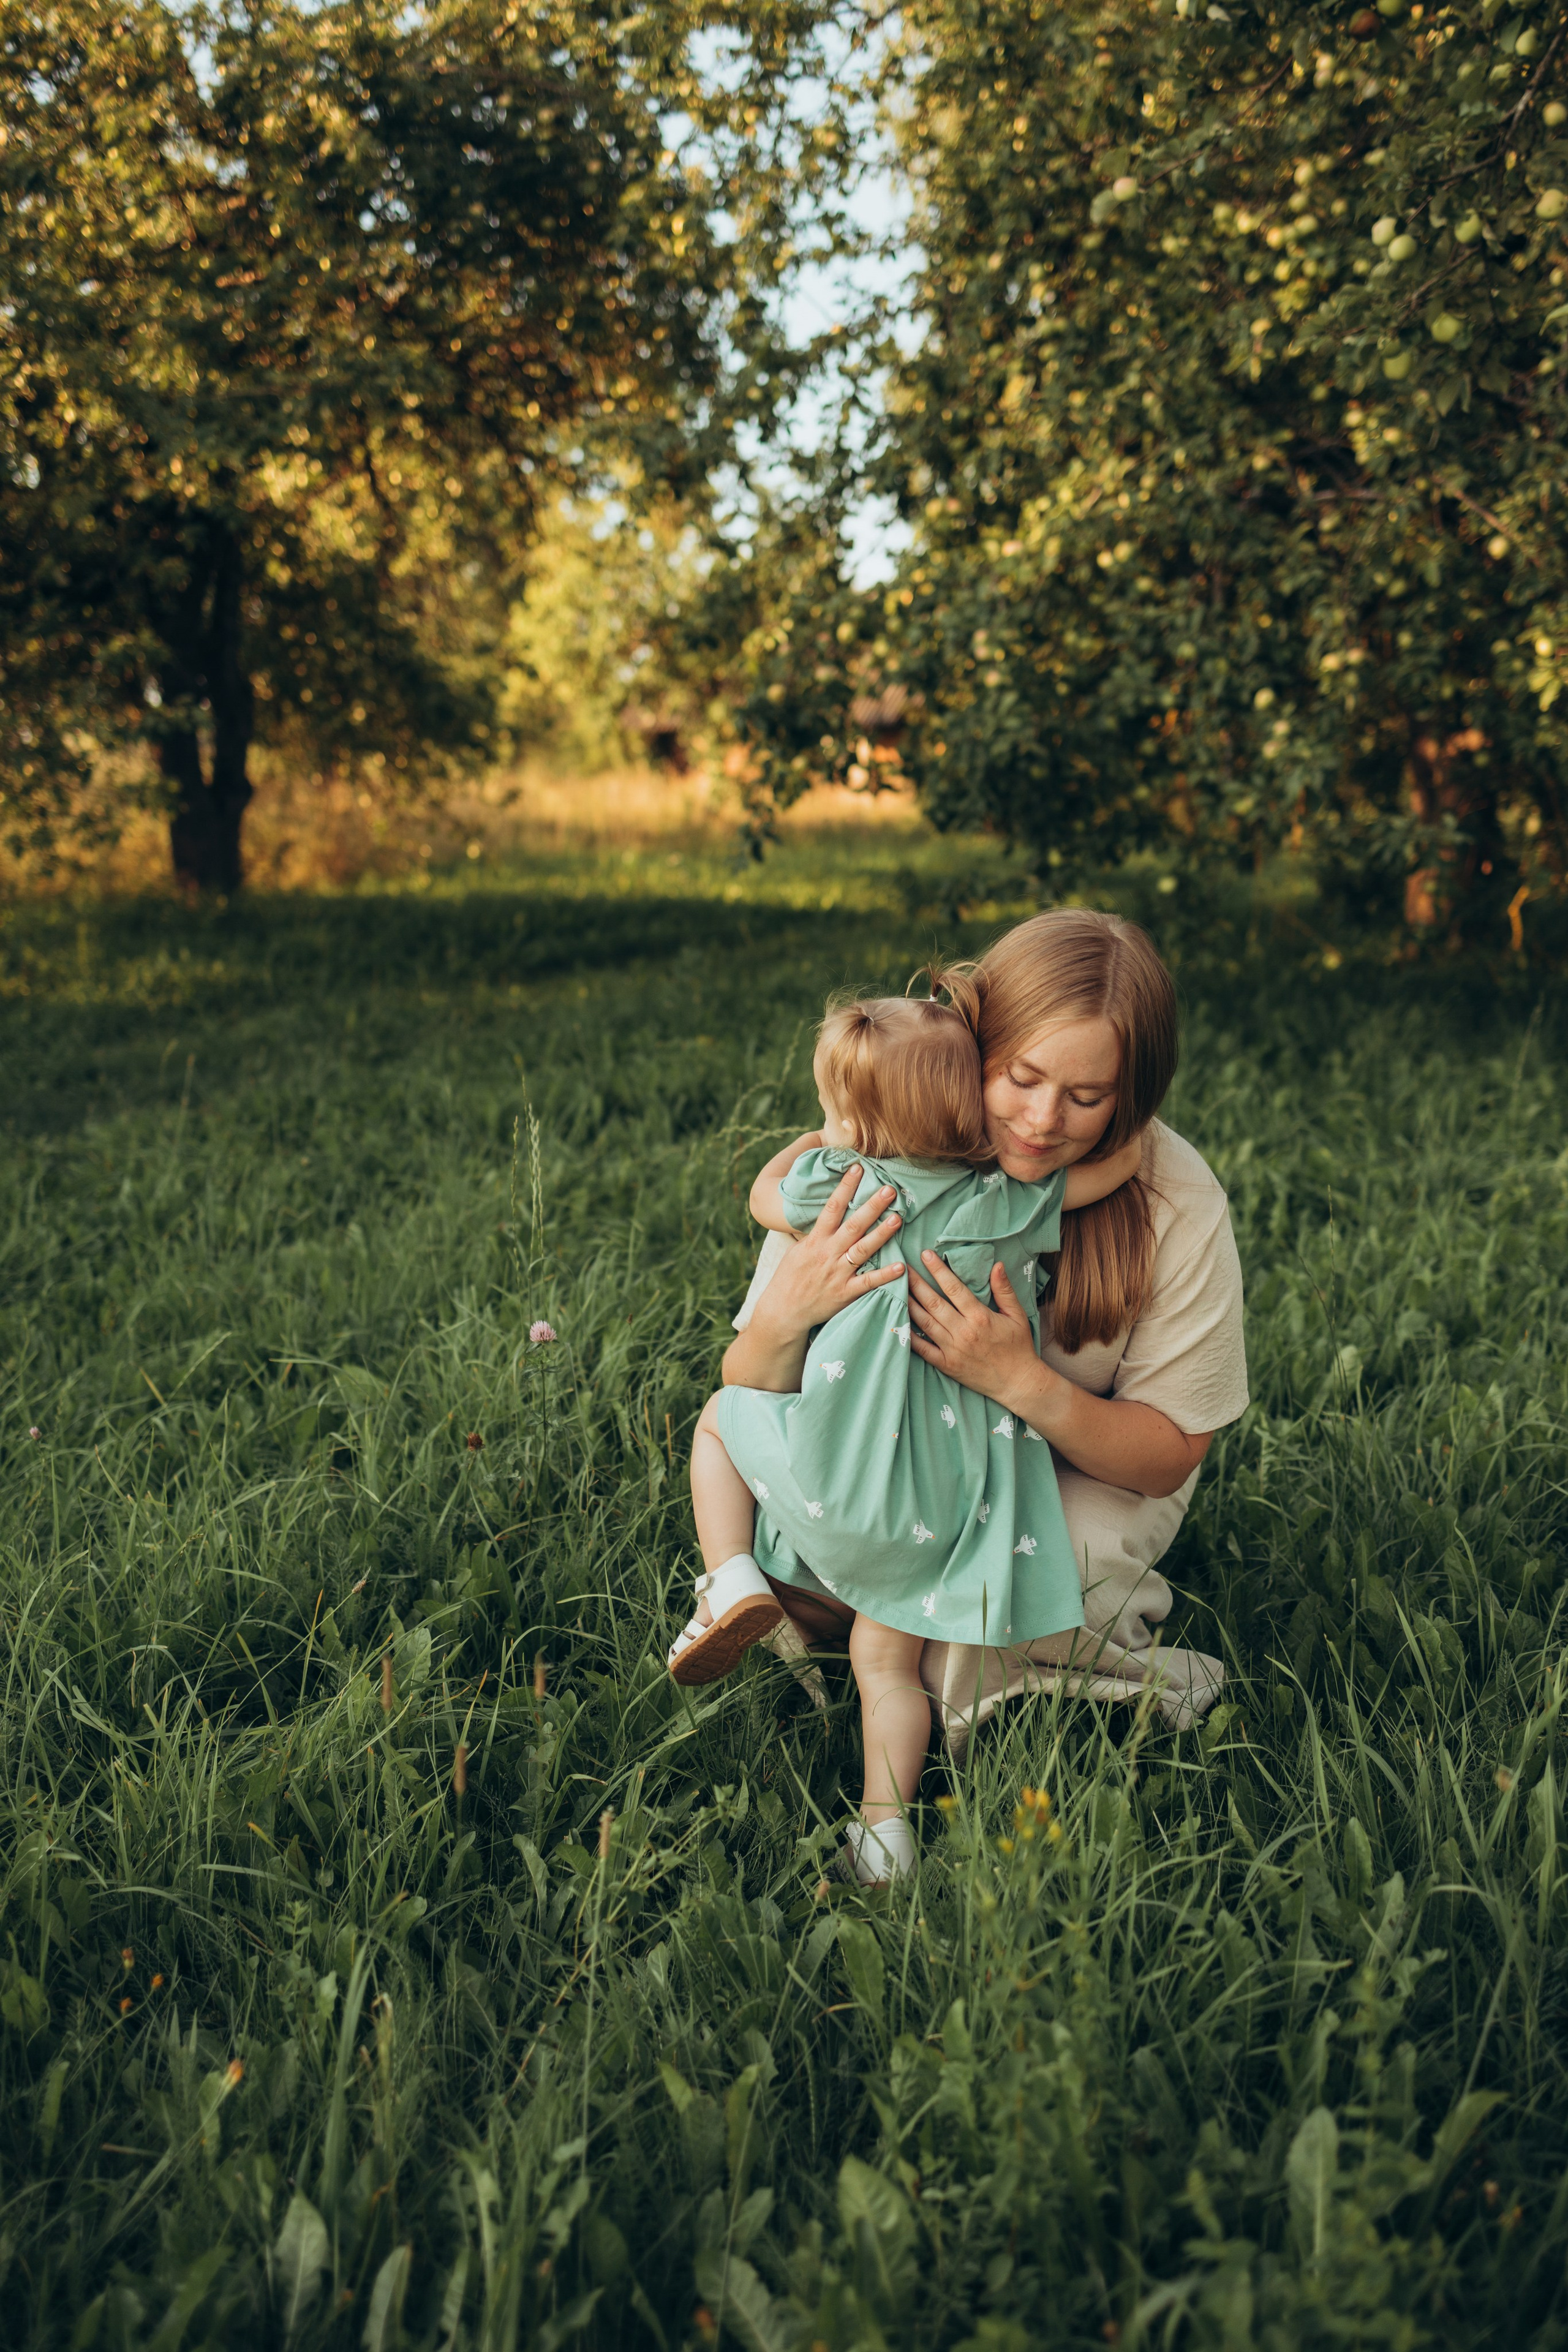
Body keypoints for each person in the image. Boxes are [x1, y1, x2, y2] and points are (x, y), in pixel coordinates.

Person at [711, 908, 1246, 1773]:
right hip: (882, 1460)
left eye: (1087, 1097)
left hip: (1072, 1470)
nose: (1042, 1120)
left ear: (1133, 1098)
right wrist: (786, 1312)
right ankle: (867, 1637)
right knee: (803, 1546)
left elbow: (1165, 1458)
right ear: (969, 1049)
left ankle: (945, 1677)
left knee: (1020, 1590)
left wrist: (1021, 1381)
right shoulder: (875, 1156)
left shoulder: (1174, 1201)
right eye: (1021, 1079)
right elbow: (750, 1380)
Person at [666, 989, 1141, 1883]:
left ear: (860, 1123)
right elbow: (1104, 1176)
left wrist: (811, 1142)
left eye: (835, 1110)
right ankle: (887, 1837)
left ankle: (729, 1577)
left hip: (836, 1482)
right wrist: (1137, 1122)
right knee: (888, 1667)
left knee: (722, 1418)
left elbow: (767, 1195)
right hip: (942, 1513)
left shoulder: (840, 1188)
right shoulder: (1002, 1204)